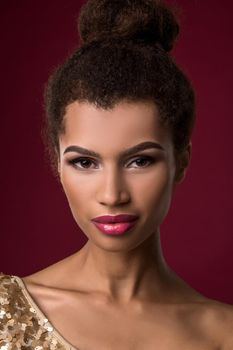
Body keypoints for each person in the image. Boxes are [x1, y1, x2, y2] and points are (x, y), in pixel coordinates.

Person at [0, 0, 233, 349]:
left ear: (180, 161)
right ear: (56, 161)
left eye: (139, 161)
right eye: (85, 163)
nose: (112, 194)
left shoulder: (223, 333)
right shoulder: (4, 314)